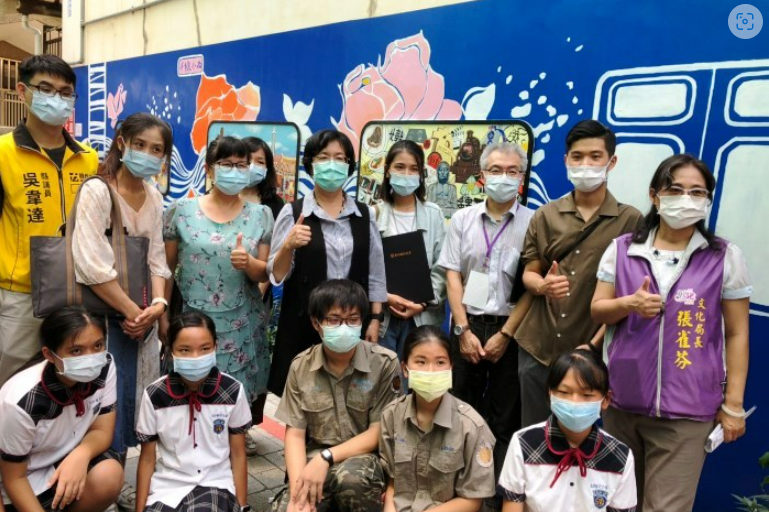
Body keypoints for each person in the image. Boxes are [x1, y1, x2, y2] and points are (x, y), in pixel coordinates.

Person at [591, 154, 751, 512]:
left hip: (687, 412)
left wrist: (734, 405)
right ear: (654, 195)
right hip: (622, 402)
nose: (686, 199)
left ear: (709, 200)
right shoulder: (622, 250)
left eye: (697, 192)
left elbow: (738, 333)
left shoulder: (724, 257)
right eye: (675, 189)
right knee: (616, 504)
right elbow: (597, 309)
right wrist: (629, 303)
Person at [515, 120, 642, 428]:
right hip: (537, 348)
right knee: (533, 432)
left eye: (595, 156)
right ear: (566, 160)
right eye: (577, 156)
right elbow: (530, 273)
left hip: (589, 351)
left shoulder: (630, 220)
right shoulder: (545, 215)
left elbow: (628, 296)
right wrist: (542, 285)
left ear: (612, 162)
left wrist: (595, 344)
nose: (586, 164)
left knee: (582, 436)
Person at [437, 141, 534, 507]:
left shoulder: (533, 223)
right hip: (468, 323)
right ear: (482, 177)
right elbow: (453, 276)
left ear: (521, 178)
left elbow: (533, 286)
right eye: (496, 170)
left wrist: (506, 335)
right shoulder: (463, 219)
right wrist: (462, 330)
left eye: (512, 171)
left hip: (513, 329)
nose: (504, 178)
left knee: (504, 415)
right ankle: (457, 492)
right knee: (460, 408)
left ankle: (493, 497)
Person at [163, 136, 273, 456]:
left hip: (242, 319)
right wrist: (163, 317)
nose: (235, 171)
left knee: (235, 389)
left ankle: (236, 434)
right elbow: (167, 270)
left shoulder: (261, 215)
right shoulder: (180, 211)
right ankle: (188, 443)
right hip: (192, 318)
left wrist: (249, 263)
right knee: (190, 382)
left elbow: (263, 274)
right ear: (210, 170)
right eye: (226, 164)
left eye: (242, 165)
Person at [71, 113, 172, 462]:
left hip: (139, 318)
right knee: (99, 400)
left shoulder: (155, 197)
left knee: (131, 398)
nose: (147, 153)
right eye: (140, 145)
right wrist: (136, 314)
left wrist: (158, 306)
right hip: (101, 318)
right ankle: (100, 479)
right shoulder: (98, 191)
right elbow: (90, 266)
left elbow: (157, 259)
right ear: (121, 143)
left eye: (156, 149)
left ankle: (116, 478)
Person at [0, 55, 98, 386]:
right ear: (22, 91)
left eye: (65, 92)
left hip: (76, 292)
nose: (56, 98)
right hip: (19, 296)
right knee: (12, 381)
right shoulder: (3, 153)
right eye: (46, 89)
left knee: (69, 382)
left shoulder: (88, 159)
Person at [267, 129, 387, 396]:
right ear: (311, 164)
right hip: (306, 322)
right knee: (305, 393)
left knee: (352, 390)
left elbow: (376, 274)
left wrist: (375, 319)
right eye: (324, 157)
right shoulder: (293, 212)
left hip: (352, 321)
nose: (332, 164)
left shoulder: (364, 215)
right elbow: (276, 275)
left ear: (349, 166)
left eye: (340, 158)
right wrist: (288, 246)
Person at [271, 279, 399, 512]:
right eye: (334, 319)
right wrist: (297, 493)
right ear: (316, 323)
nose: (344, 327)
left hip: (365, 459)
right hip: (316, 457)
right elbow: (295, 435)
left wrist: (327, 457)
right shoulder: (301, 366)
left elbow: (378, 432)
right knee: (289, 508)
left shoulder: (384, 363)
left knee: (352, 481)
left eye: (352, 320)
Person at [0, 306, 124, 512]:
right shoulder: (22, 401)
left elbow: (102, 430)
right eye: (76, 350)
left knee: (109, 475)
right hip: (18, 480)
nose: (91, 357)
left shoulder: (105, 365)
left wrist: (81, 455)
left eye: (98, 345)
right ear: (49, 354)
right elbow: (14, 478)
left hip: (61, 462)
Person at [135, 311, 251, 512]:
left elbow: (239, 454)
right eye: (185, 350)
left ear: (215, 346)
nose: (195, 357)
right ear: (171, 351)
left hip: (216, 484)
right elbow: (147, 458)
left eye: (205, 348)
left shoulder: (232, 391)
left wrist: (242, 506)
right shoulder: (155, 395)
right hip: (168, 486)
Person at [498, 349, 637, 512]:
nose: (575, 402)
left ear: (605, 399)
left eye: (586, 394)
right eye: (564, 392)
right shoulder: (523, 443)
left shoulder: (619, 456)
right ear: (550, 394)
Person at [380, 325, 496, 512]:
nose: (431, 371)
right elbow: (393, 480)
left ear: (451, 367)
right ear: (405, 368)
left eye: (440, 362)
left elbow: (473, 500)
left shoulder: (472, 426)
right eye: (421, 362)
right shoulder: (391, 415)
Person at [376, 140, 446, 359]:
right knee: (382, 382)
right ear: (387, 171)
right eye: (399, 167)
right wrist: (384, 296)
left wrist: (423, 303)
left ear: (421, 174)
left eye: (414, 169)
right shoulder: (373, 215)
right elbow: (366, 268)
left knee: (416, 383)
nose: (406, 174)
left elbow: (442, 267)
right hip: (383, 319)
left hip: (422, 318)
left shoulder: (434, 214)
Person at [241, 136, 284, 220]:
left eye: (260, 162)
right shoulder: (224, 197)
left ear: (267, 169)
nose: (252, 166)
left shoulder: (275, 203)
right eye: (247, 160)